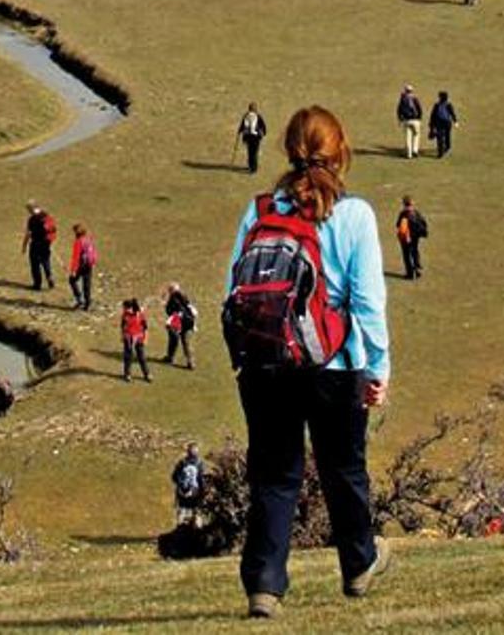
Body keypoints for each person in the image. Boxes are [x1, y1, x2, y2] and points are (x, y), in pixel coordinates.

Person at [226, 106, 390, 618]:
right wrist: (378, 368)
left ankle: (264, 584)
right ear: (341, 151)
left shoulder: (258, 211)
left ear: (287, 150)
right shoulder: (355, 214)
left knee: (273, 475)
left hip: (266, 363)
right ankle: (359, 564)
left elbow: (236, 287)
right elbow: (367, 303)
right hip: (334, 364)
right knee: (344, 468)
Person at [21, 200, 56, 291]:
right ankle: (49, 277)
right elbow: (52, 229)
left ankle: (37, 284)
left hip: (36, 244)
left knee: (35, 264)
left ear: (30, 209)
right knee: (46, 261)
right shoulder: (46, 215)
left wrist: (24, 246)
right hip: (46, 243)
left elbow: (28, 234)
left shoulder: (32, 219)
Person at [161, 283, 197, 370]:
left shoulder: (173, 299)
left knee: (173, 340)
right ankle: (190, 362)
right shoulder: (184, 297)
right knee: (186, 343)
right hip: (188, 323)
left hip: (177, 324)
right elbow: (192, 311)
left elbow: (169, 311)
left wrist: (165, 302)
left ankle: (170, 357)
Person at [171, 442, 207, 526]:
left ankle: (178, 531)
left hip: (182, 492)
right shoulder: (200, 463)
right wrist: (203, 492)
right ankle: (197, 532)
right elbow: (201, 479)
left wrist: (180, 487)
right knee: (197, 513)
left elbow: (174, 477)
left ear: (187, 452)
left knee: (181, 513)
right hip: (195, 493)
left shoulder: (181, 463)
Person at [395, 195, 428, 280]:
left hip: (406, 237)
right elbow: (423, 222)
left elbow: (398, 224)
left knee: (407, 255)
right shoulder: (416, 212)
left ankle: (410, 274)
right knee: (414, 252)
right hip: (415, 237)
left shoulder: (403, 214)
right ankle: (417, 271)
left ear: (404, 204)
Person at [120, 299, 151, 383]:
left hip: (139, 338)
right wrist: (123, 336)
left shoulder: (140, 315)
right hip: (128, 338)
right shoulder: (125, 315)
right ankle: (127, 374)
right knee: (128, 357)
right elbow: (123, 326)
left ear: (129, 307)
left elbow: (145, 328)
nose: (123, 309)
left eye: (124, 308)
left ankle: (147, 374)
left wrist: (146, 338)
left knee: (141, 357)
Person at [68, 223, 97, 310]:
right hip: (89, 264)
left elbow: (75, 257)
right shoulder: (89, 239)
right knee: (87, 284)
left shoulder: (78, 242)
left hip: (81, 265)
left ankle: (79, 299)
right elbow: (93, 251)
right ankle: (87, 303)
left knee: (72, 280)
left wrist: (73, 270)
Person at [236, 103, 268, 174]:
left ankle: (251, 166)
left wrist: (239, 131)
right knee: (254, 153)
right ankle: (253, 168)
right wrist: (264, 133)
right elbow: (263, 126)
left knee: (250, 152)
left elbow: (242, 125)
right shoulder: (258, 116)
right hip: (256, 138)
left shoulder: (246, 116)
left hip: (248, 137)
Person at [428, 91, 458, 158]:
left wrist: (431, 124)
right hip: (447, 122)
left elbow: (432, 115)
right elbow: (452, 113)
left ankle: (440, 153)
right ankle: (447, 147)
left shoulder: (437, 105)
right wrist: (455, 121)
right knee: (447, 135)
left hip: (439, 123)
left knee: (439, 138)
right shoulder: (448, 104)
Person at [396, 84, 424, 159]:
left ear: (405, 91)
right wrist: (420, 118)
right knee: (416, 135)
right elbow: (420, 109)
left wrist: (400, 119)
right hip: (415, 120)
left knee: (408, 137)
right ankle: (415, 151)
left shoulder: (403, 99)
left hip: (406, 120)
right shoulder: (415, 98)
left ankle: (409, 154)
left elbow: (399, 110)